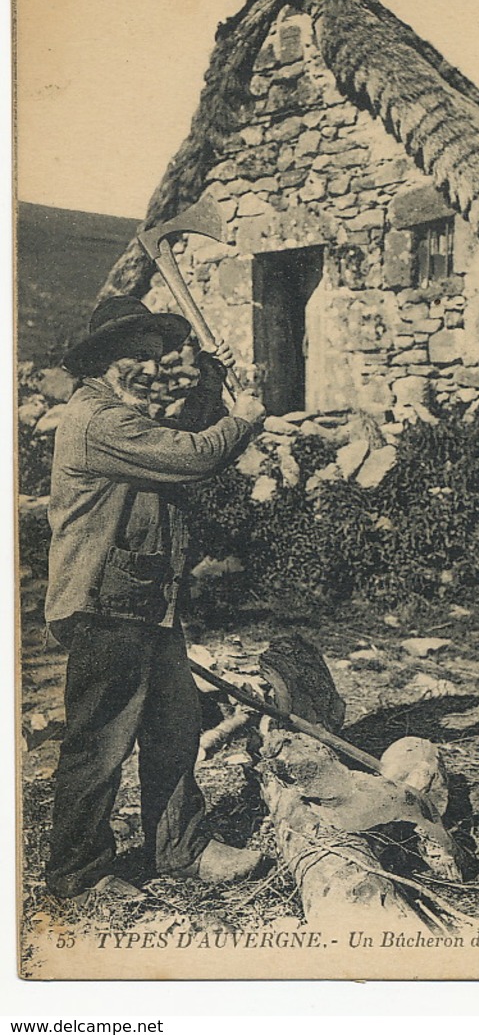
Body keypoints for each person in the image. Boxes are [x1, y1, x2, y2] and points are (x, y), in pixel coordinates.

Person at [44, 295, 266, 900]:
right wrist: (245, 417)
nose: (148, 366)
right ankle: (77, 874)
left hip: (145, 599)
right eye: (133, 355)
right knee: (100, 744)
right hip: (103, 606)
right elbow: (192, 455)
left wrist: (215, 379)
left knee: (174, 725)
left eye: (153, 353)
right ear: (102, 363)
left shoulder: (126, 416)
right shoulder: (99, 421)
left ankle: (181, 847)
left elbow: (182, 430)